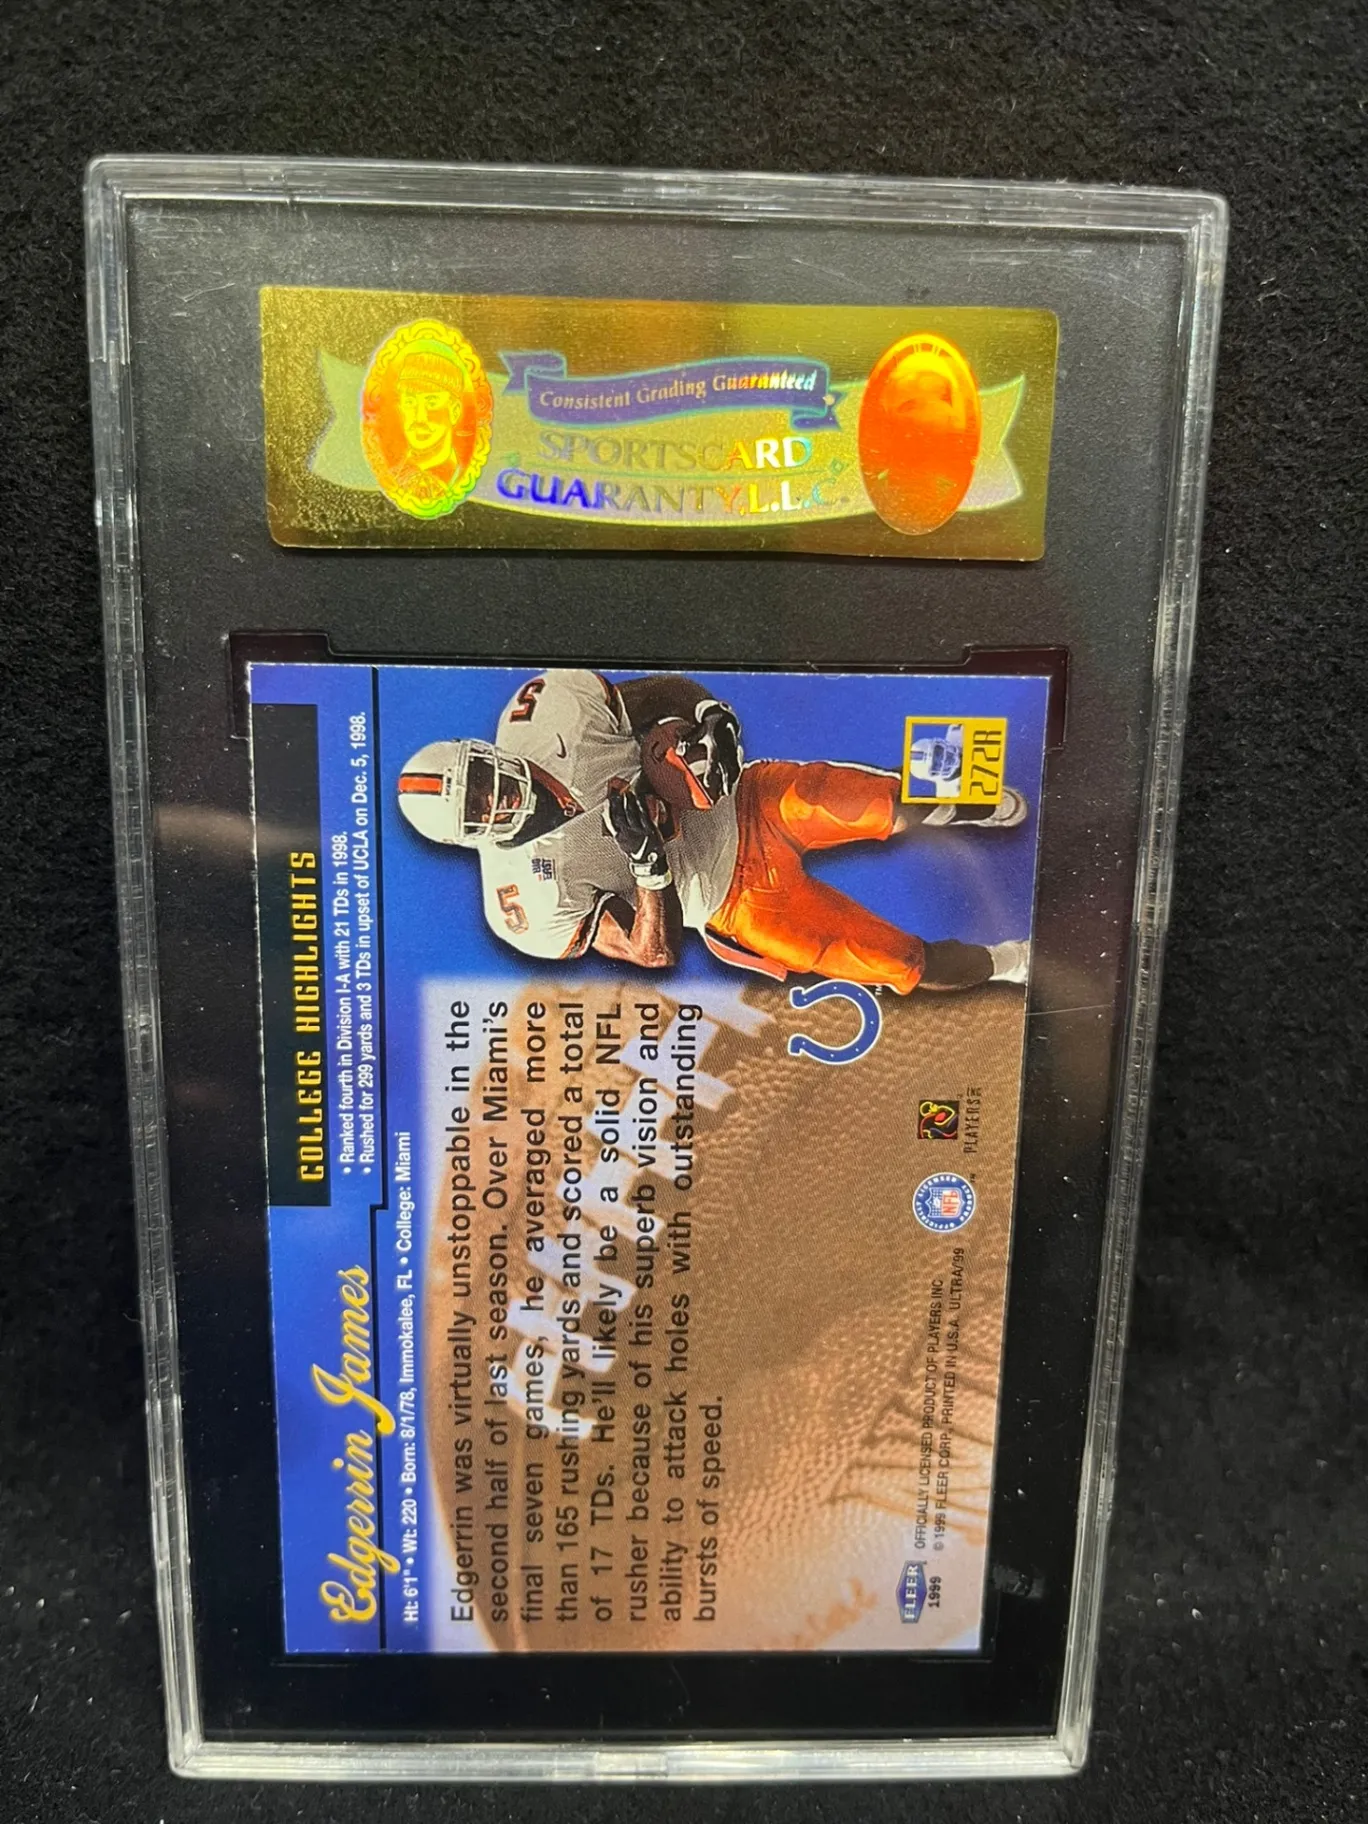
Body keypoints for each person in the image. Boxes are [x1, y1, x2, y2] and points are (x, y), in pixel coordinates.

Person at [395, 669, 1029, 993]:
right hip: (734, 900)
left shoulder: (542, 712)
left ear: (482, 750)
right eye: (477, 807)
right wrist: (650, 870)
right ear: (467, 840)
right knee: (899, 962)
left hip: (742, 801)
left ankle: (965, 800)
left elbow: (656, 696)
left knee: (886, 801)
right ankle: (1010, 964)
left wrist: (705, 712)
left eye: (482, 777)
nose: (497, 796)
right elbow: (651, 952)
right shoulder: (520, 906)